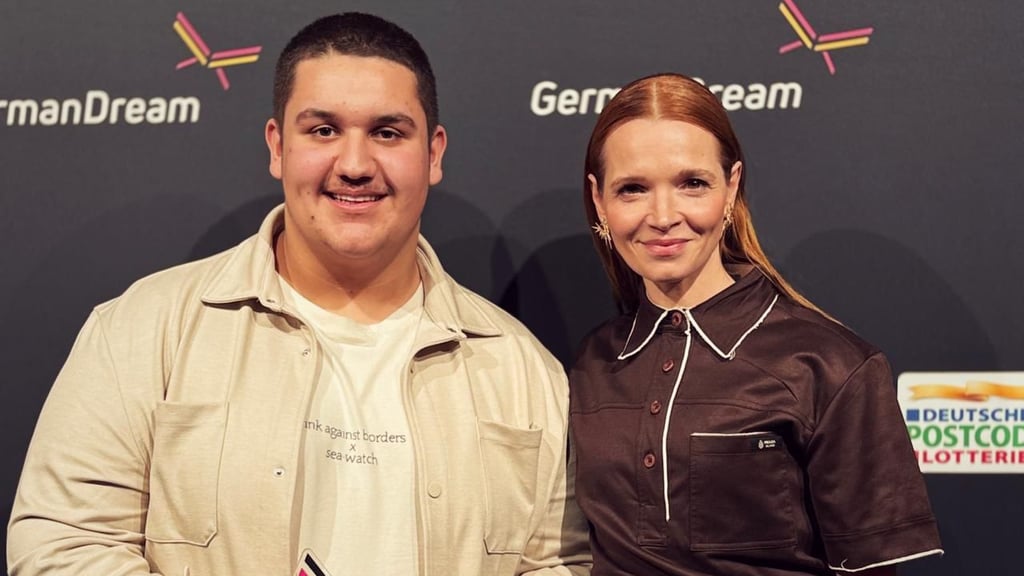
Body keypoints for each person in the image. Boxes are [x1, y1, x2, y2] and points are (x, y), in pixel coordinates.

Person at [7, 13, 591, 576]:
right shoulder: (142, 329)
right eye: (323, 130)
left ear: (433, 153)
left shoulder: (522, 368)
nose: (355, 164)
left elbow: (558, 565)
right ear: (277, 146)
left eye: (387, 132)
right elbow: (65, 541)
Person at [569, 73, 942, 576]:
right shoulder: (592, 362)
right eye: (632, 189)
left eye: (692, 184)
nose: (662, 215)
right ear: (599, 201)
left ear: (732, 187)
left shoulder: (833, 367)